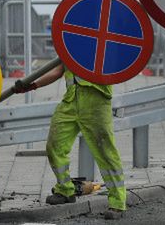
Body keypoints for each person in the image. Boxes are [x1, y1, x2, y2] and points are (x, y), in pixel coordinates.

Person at [12, 64, 126, 220]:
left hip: (96, 100)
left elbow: (118, 66)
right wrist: (33, 85)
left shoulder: (101, 41)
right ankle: (65, 190)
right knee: (55, 145)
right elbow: (58, 70)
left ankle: (117, 203)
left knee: (106, 152)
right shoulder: (69, 42)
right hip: (71, 100)